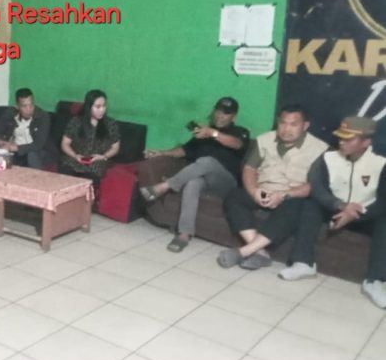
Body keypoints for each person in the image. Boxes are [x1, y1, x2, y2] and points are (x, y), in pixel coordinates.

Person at [285, 117, 386, 307]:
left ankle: (375, 281)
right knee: (310, 205)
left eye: (349, 139)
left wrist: (355, 213)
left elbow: (384, 201)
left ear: (366, 142)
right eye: (341, 137)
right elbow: (317, 187)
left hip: (365, 214)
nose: (342, 142)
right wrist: (339, 206)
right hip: (334, 209)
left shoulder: (381, 163)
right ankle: (304, 263)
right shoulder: (328, 158)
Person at [217, 104, 328, 270]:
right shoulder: (264, 140)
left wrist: (283, 195)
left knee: (297, 206)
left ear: (305, 126)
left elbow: (314, 185)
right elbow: (249, 169)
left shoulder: (319, 149)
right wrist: (254, 191)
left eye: (293, 124)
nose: (286, 129)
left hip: (291, 195)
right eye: (283, 123)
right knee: (234, 196)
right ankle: (260, 253)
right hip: (263, 190)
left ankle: (244, 251)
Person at [140, 97, 250, 252]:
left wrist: (212, 133)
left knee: (207, 161)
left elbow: (237, 144)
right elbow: (184, 151)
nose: (220, 116)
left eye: (225, 113)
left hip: (226, 183)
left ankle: (163, 187)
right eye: (218, 111)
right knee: (192, 183)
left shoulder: (240, 132)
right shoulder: (202, 134)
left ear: (234, 116)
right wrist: (162, 153)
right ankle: (184, 234)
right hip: (204, 180)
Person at [59, 89, 120, 189]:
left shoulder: (110, 124)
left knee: (91, 176)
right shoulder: (76, 122)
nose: (102, 110)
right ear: (89, 107)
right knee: (66, 169)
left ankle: (88, 196)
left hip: (97, 160)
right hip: (76, 158)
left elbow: (115, 147)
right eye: (98, 107)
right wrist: (75, 155)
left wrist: (104, 156)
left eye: (104, 106)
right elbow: (65, 144)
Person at [0, 88, 51, 169]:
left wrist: (14, 147)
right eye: (24, 106)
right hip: (16, 152)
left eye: (31, 105)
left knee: (32, 155)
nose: (29, 109)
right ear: (17, 106)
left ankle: (37, 176)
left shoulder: (42, 116)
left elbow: (38, 144)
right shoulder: (10, 113)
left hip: (37, 152)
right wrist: (0, 142)